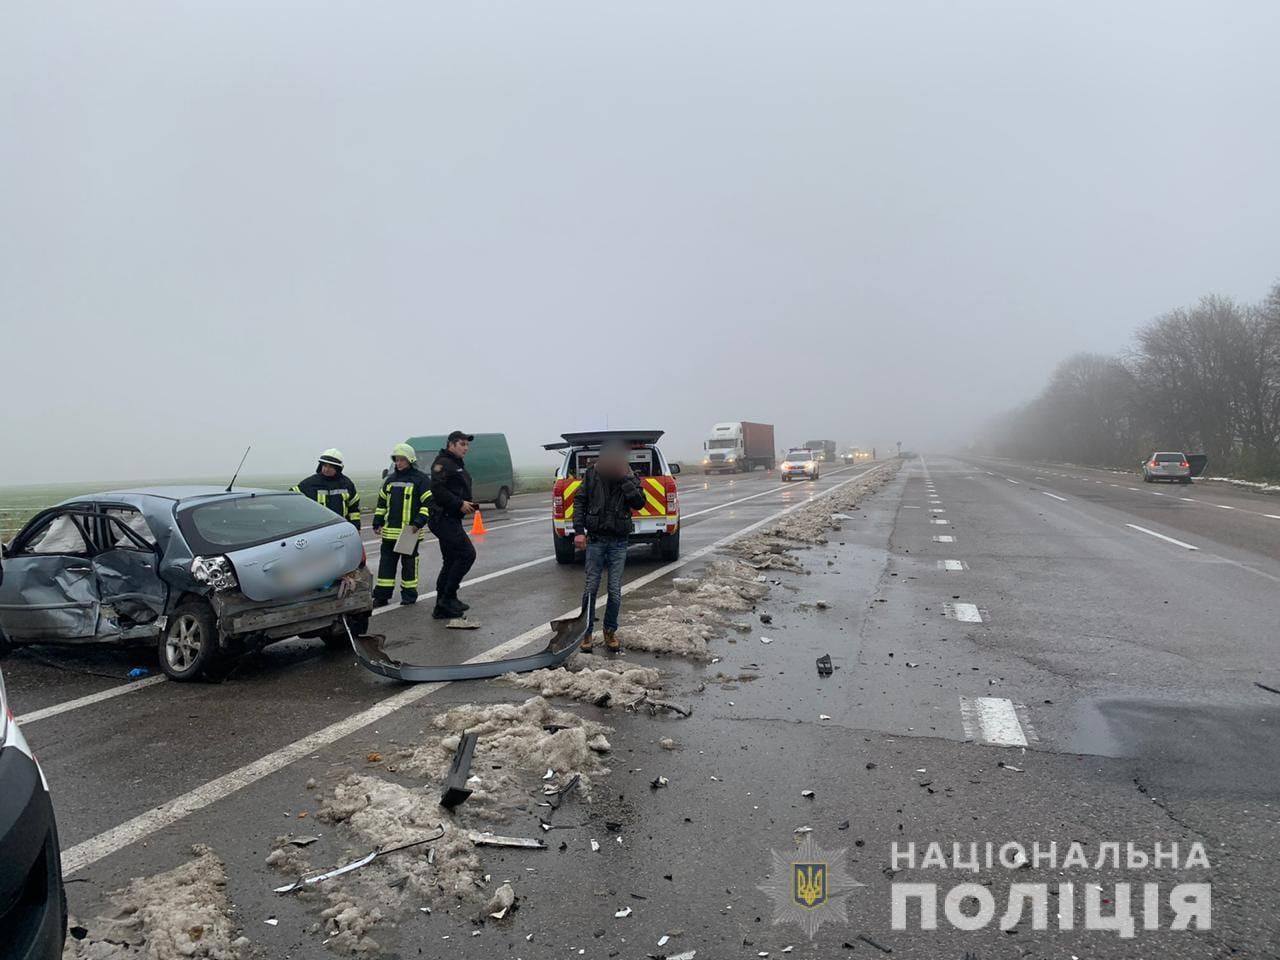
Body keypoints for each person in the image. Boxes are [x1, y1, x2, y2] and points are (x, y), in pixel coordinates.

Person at [573, 440, 646, 652]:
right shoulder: (591, 475)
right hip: (596, 539)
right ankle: (585, 632)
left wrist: (625, 480)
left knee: (614, 590)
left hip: (619, 541)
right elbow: (580, 501)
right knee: (591, 587)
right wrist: (579, 531)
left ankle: (609, 631)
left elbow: (639, 503)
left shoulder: (629, 476)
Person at [371, 443, 432, 607]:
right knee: (386, 564)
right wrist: (377, 521)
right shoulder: (389, 481)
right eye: (396, 460)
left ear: (410, 460)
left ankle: (409, 595)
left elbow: (428, 504)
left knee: (409, 565)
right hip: (390, 532)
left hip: (409, 532)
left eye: (402, 460)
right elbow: (382, 504)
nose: (398, 463)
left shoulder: (421, 480)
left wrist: (419, 522)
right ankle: (382, 596)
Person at [428, 431, 479, 620]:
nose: (466, 448)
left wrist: (466, 503)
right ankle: (447, 598)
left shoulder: (455, 463)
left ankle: (442, 605)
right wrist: (459, 503)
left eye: (467, 445)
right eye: (462, 444)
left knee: (450, 560)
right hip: (443, 518)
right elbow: (437, 489)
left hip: (451, 518)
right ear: (451, 444)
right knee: (467, 554)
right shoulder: (443, 463)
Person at [292, 449, 361, 529]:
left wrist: (356, 527)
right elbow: (291, 498)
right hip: (317, 530)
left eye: (330, 467)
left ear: (338, 468)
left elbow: (354, 509)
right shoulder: (309, 483)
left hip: (341, 530)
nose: (326, 469)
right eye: (324, 466)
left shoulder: (347, 484)